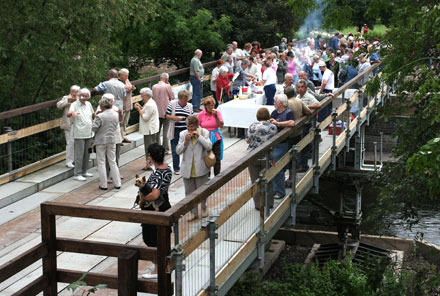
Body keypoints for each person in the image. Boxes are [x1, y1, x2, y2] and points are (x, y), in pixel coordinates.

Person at [139, 143, 172, 279]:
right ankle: (160, 264)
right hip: (165, 205)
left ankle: (158, 269)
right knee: (160, 238)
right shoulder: (167, 169)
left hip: (155, 209)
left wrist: (143, 198)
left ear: (151, 156)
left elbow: (155, 194)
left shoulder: (158, 173)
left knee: (152, 238)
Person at [176, 115, 212, 221]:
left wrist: (199, 137)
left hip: (200, 167)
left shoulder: (204, 132)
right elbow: (178, 151)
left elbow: (209, 146)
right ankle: (193, 212)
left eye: (192, 127)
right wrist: (185, 142)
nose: (190, 129)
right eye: (188, 126)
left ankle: (204, 208)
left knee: (202, 190)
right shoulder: (182, 134)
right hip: (187, 168)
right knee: (189, 192)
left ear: (197, 126)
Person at [247, 108, 277, 210]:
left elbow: (247, 140)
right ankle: (269, 202)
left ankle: (258, 204)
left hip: (253, 156)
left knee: (255, 181)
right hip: (267, 157)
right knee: (268, 179)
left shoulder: (252, 126)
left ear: (257, 116)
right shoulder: (273, 127)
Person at [92, 95, 122, 190]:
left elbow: (94, 128)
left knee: (101, 162)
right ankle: (117, 183)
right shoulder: (115, 114)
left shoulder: (100, 116)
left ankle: (103, 184)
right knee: (112, 161)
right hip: (112, 139)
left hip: (101, 140)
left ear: (103, 106)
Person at [269, 94, 295, 200]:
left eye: (275, 101)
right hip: (274, 144)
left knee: (277, 168)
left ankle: (279, 191)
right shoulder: (274, 112)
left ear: (281, 103)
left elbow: (292, 123)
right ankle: (275, 189)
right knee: (274, 167)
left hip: (282, 143)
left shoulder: (288, 112)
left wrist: (278, 123)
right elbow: (271, 120)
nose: (274, 103)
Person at [67, 88, 94, 181]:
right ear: (79, 95)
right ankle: (77, 173)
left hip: (89, 132)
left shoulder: (89, 104)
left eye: (86, 96)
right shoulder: (74, 104)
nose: (84, 97)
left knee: (87, 153)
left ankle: (84, 171)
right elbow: (68, 113)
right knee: (79, 154)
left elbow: (92, 116)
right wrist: (72, 113)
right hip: (79, 132)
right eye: (82, 95)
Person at [166, 90, 193, 175]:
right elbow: (166, 115)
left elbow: (191, 117)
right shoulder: (172, 104)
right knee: (175, 150)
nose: (185, 101)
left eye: (186, 99)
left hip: (185, 130)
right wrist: (175, 118)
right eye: (184, 100)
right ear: (180, 99)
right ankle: (176, 168)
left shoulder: (189, 106)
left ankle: (187, 166)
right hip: (175, 130)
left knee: (188, 148)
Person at [135, 88, 160, 171]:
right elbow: (147, 112)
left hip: (149, 129)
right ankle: (152, 163)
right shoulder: (150, 102)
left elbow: (145, 117)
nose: (141, 97)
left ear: (147, 95)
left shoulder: (149, 104)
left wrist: (139, 109)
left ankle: (149, 165)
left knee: (149, 148)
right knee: (152, 147)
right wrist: (141, 107)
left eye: (143, 96)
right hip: (153, 128)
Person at [198, 97, 224, 176]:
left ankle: (217, 176)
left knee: (216, 158)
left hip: (216, 137)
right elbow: (198, 126)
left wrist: (216, 117)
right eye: (209, 105)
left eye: (212, 105)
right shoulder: (201, 114)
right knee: (206, 158)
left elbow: (221, 125)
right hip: (205, 138)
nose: (211, 107)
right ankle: (207, 176)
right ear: (205, 106)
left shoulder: (217, 113)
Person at [57, 85, 80, 168]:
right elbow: (59, 106)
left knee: (78, 142)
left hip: (79, 124)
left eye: (75, 92)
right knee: (70, 142)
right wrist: (68, 100)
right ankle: (69, 161)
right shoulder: (66, 97)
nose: (73, 94)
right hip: (68, 123)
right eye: (72, 91)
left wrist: (77, 99)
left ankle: (77, 159)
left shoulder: (81, 98)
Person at [152, 73, 174, 153]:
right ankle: (166, 149)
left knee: (157, 131)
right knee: (166, 130)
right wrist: (169, 84)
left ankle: (158, 148)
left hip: (156, 111)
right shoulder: (167, 86)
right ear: (166, 79)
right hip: (166, 111)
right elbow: (172, 97)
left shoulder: (154, 86)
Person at [119, 68, 136, 143]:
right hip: (122, 106)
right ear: (121, 75)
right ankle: (119, 138)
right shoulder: (118, 82)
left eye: (127, 75)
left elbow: (129, 87)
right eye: (125, 76)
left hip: (128, 104)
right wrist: (129, 88)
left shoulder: (126, 80)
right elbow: (121, 91)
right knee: (120, 123)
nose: (127, 77)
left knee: (125, 122)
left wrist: (132, 88)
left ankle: (123, 136)